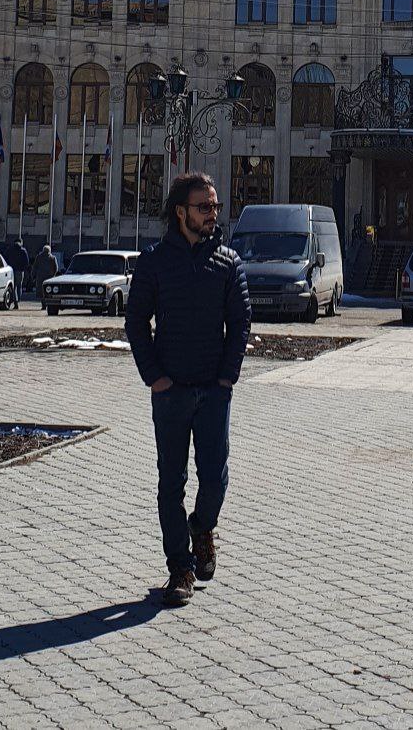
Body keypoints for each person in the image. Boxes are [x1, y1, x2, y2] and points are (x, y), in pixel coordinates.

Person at [124, 172, 251, 607]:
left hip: (214, 392)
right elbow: (135, 323)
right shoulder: (155, 261)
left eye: (215, 207)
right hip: (171, 391)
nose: (212, 214)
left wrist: (227, 377)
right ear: (181, 212)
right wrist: (154, 377)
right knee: (170, 481)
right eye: (204, 207)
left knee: (214, 477)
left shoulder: (228, 261)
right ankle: (180, 569)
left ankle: (203, 526)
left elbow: (240, 324)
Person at [2, 239, 29, 307]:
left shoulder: (9, 250)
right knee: (19, 286)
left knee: (13, 287)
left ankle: (14, 300)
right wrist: (24, 268)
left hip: (11, 270)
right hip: (20, 271)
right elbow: (26, 262)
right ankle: (18, 300)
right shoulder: (23, 250)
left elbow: (5, 258)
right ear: (21, 243)